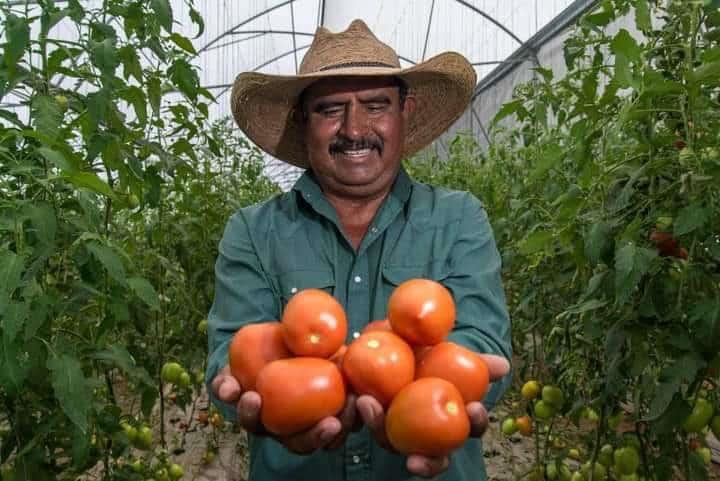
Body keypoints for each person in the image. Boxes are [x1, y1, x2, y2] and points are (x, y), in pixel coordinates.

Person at [206, 19, 512, 481]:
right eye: (331, 109)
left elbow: (482, 341)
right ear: (303, 122)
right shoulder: (253, 231)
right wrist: (262, 393)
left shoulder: (458, 218)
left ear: (404, 112)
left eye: (375, 105)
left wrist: (438, 391)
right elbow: (233, 357)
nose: (354, 128)